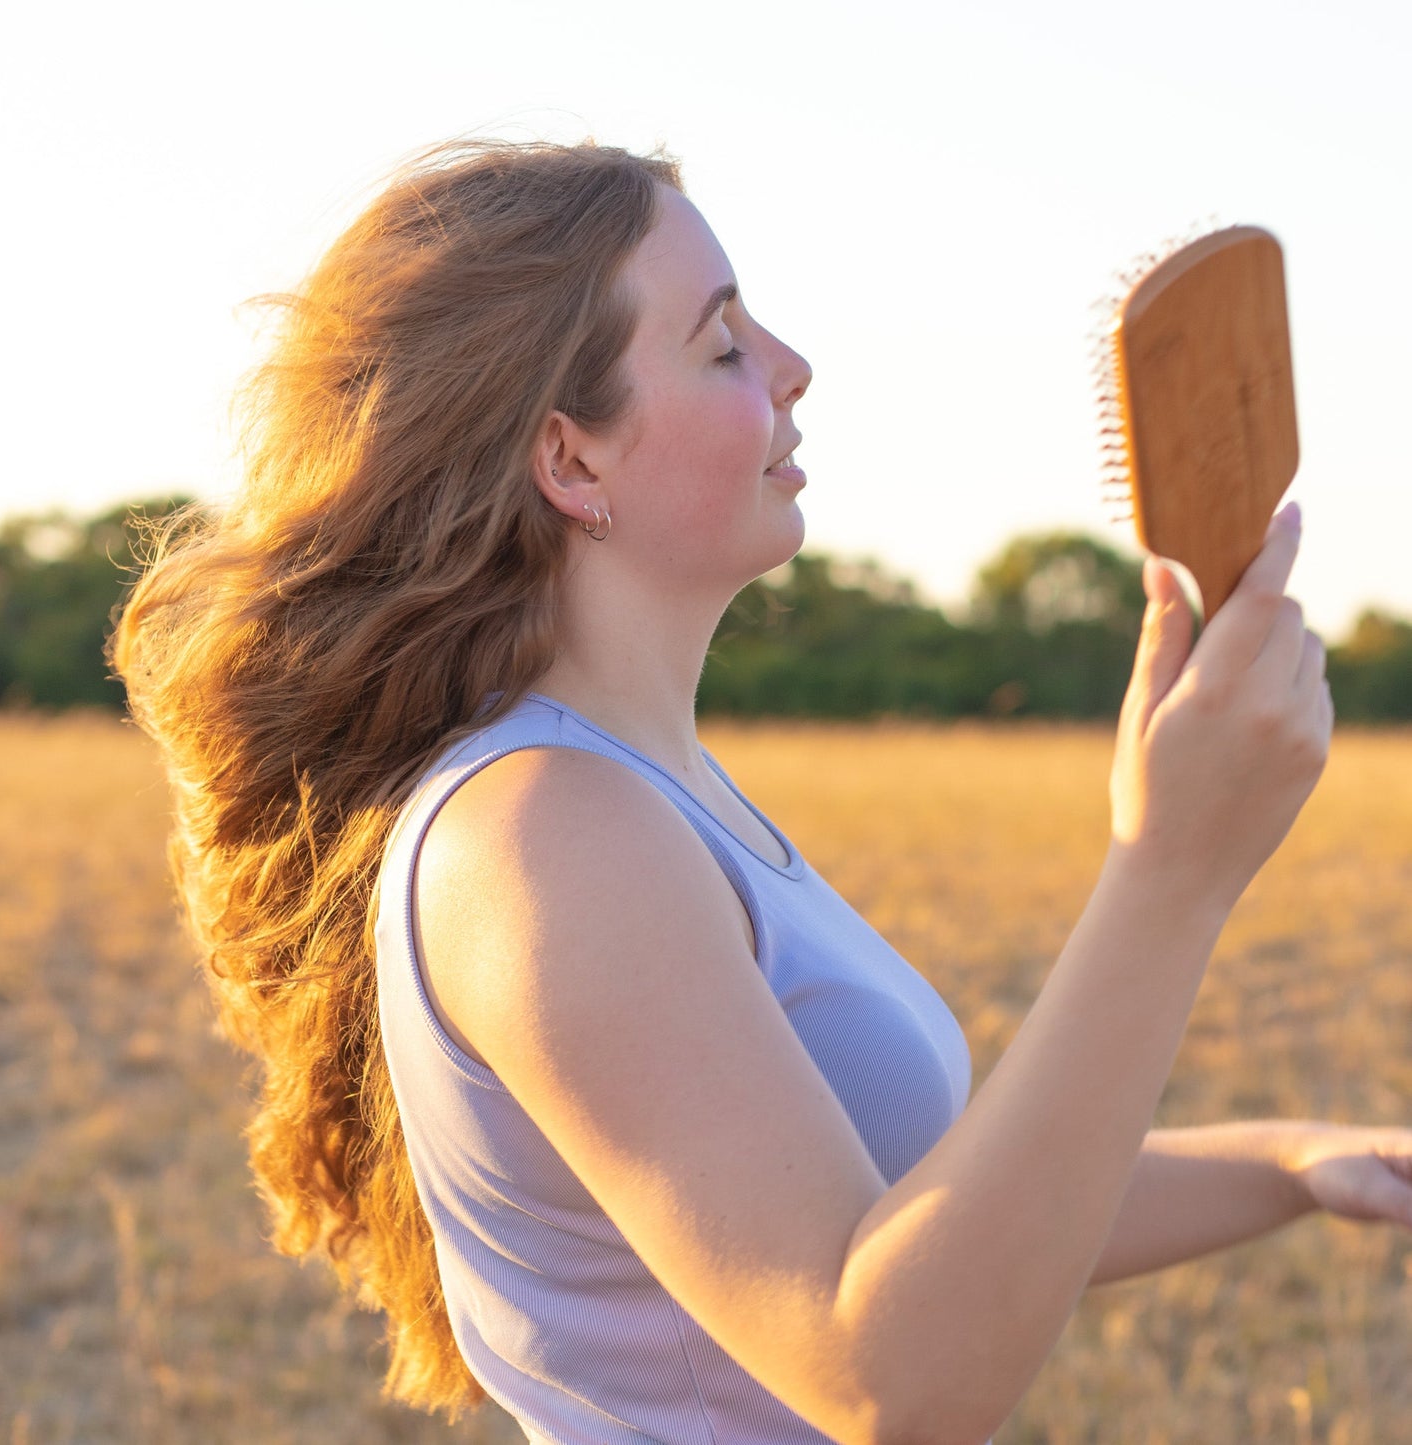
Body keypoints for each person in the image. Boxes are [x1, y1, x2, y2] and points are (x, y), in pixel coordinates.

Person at [114, 140, 1412, 1445]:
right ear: (570, 462)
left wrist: (1290, 1159)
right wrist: (1169, 869)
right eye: (721, 344)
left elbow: (937, 1210)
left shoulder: (641, 795)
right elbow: (886, 1371)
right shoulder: (541, 832)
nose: (792, 366)